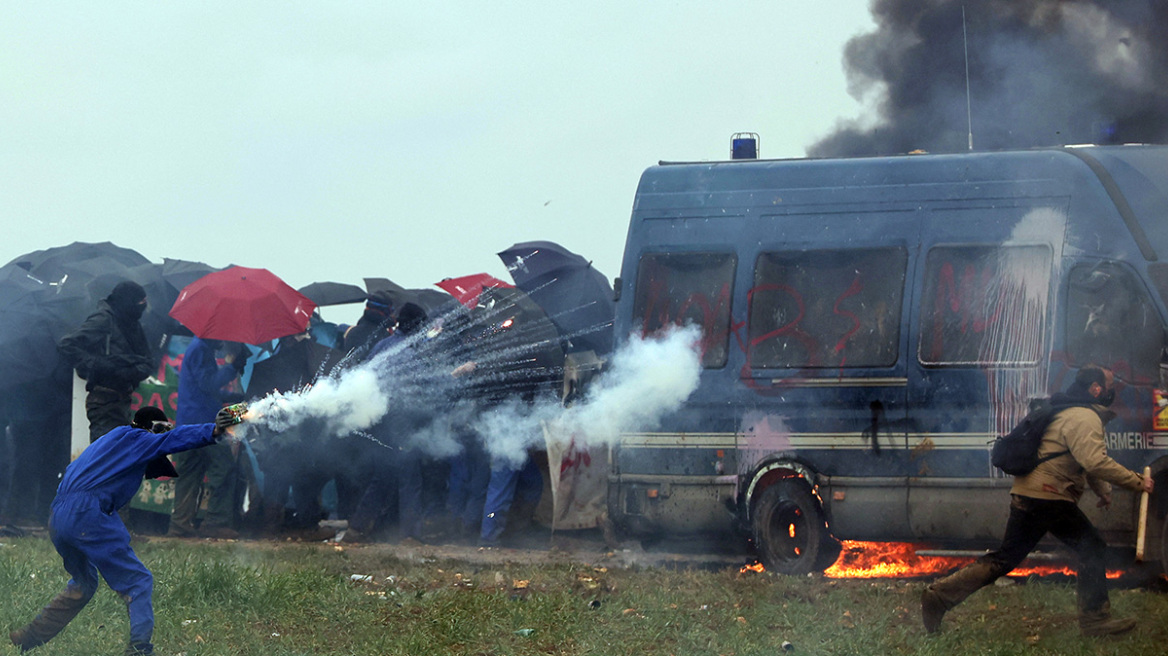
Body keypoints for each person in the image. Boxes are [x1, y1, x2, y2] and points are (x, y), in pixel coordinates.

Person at [921, 365, 1155, 637]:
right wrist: (1139, 482)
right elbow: (1095, 460)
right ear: (1096, 389)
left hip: (1029, 493)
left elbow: (1082, 461)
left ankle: (938, 597)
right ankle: (1095, 620)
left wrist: (1103, 490)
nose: (1113, 392)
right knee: (1091, 545)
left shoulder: (1065, 411)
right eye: (1110, 385)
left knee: (1005, 559)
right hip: (1049, 496)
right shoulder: (1085, 417)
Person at [8, 405, 244, 655]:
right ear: (151, 428)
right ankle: (139, 649)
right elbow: (174, 439)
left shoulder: (110, 440)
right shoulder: (138, 437)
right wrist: (215, 429)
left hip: (57, 516)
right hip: (86, 514)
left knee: (83, 584)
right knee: (138, 581)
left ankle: (30, 637)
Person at [167, 338, 246, 539]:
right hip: (204, 425)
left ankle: (180, 524)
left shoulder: (198, 348)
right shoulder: (201, 350)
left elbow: (202, 389)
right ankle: (216, 522)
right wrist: (232, 368)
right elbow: (207, 383)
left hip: (189, 423)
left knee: (189, 474)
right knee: (224, 468)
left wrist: (231, 398)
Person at [58, 281, 154, 442]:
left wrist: (128, 372)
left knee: (116, 455)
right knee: (104, 456)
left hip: (123, 400)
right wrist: (99, 365)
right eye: (139, 303)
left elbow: (148, 362)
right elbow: (67, 345)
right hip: (103, 399)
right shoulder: (104, 319)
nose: (142, 307)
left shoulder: (133, 324)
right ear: (128, 301)